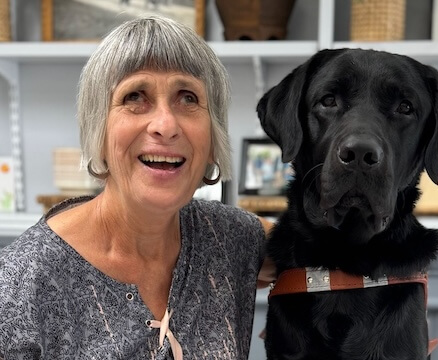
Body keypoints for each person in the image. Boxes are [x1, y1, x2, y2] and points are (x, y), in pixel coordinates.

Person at [0, 16, 275, 359]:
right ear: (97, 130)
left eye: (188, 98)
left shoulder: (230, 239)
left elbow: (325, 253)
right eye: (135, 96)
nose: (165, 125)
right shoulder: (20, 286)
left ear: (214, 138)